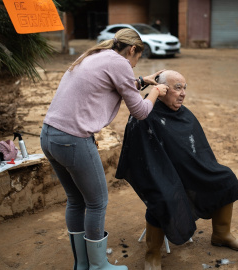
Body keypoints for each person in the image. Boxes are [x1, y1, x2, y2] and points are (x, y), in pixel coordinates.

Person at [40, 28, 169, 270]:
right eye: (136, 60)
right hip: (73, 140)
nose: (133, 66)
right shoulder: (120, 63)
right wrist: (155, 92)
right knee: (97, 203)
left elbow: (111, 84)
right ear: (132, 50)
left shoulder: (97, 55)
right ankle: (98, 266)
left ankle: (82, 264)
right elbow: (140, 112)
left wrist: (142, 81)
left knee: (76, 201)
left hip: (49, 136)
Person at [115, 70, 238, 270]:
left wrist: (200, 168)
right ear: (161, 90)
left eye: (184, 88)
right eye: (177, 88)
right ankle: (152, 253)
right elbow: (140, 158)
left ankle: (221, 234)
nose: (183, 93)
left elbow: (200, 150)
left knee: (226, 178)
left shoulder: (184, 114)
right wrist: (165, 176)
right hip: (158, 174)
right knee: (163, 195)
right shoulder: (145, 114)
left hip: (189, 171)